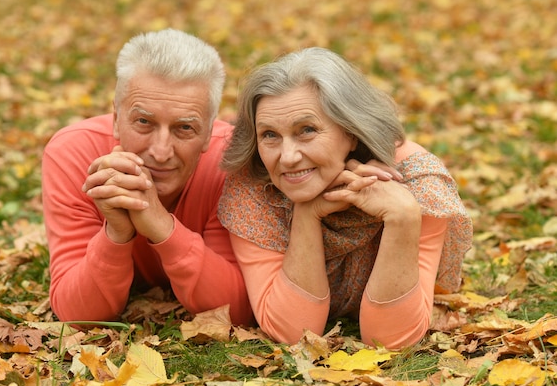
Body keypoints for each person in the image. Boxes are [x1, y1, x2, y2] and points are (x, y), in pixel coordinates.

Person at [218, 47, 473, 349]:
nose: (287, 158)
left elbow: (391, 339)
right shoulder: (254, 186)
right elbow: (292, 333)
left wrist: (403, 217)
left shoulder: (419, 182)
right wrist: (307, 215)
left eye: (307, 130)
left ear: (351, 131)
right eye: (270, 135)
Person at [42, 29, 253, 326]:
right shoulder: (73, 153)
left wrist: (163, 227)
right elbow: (77, 314)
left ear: (208, 132)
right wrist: (116, 233)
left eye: (184, 128)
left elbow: (238, 309)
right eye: (144, 122)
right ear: (116, 120)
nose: (161, 151)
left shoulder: (232, 161)